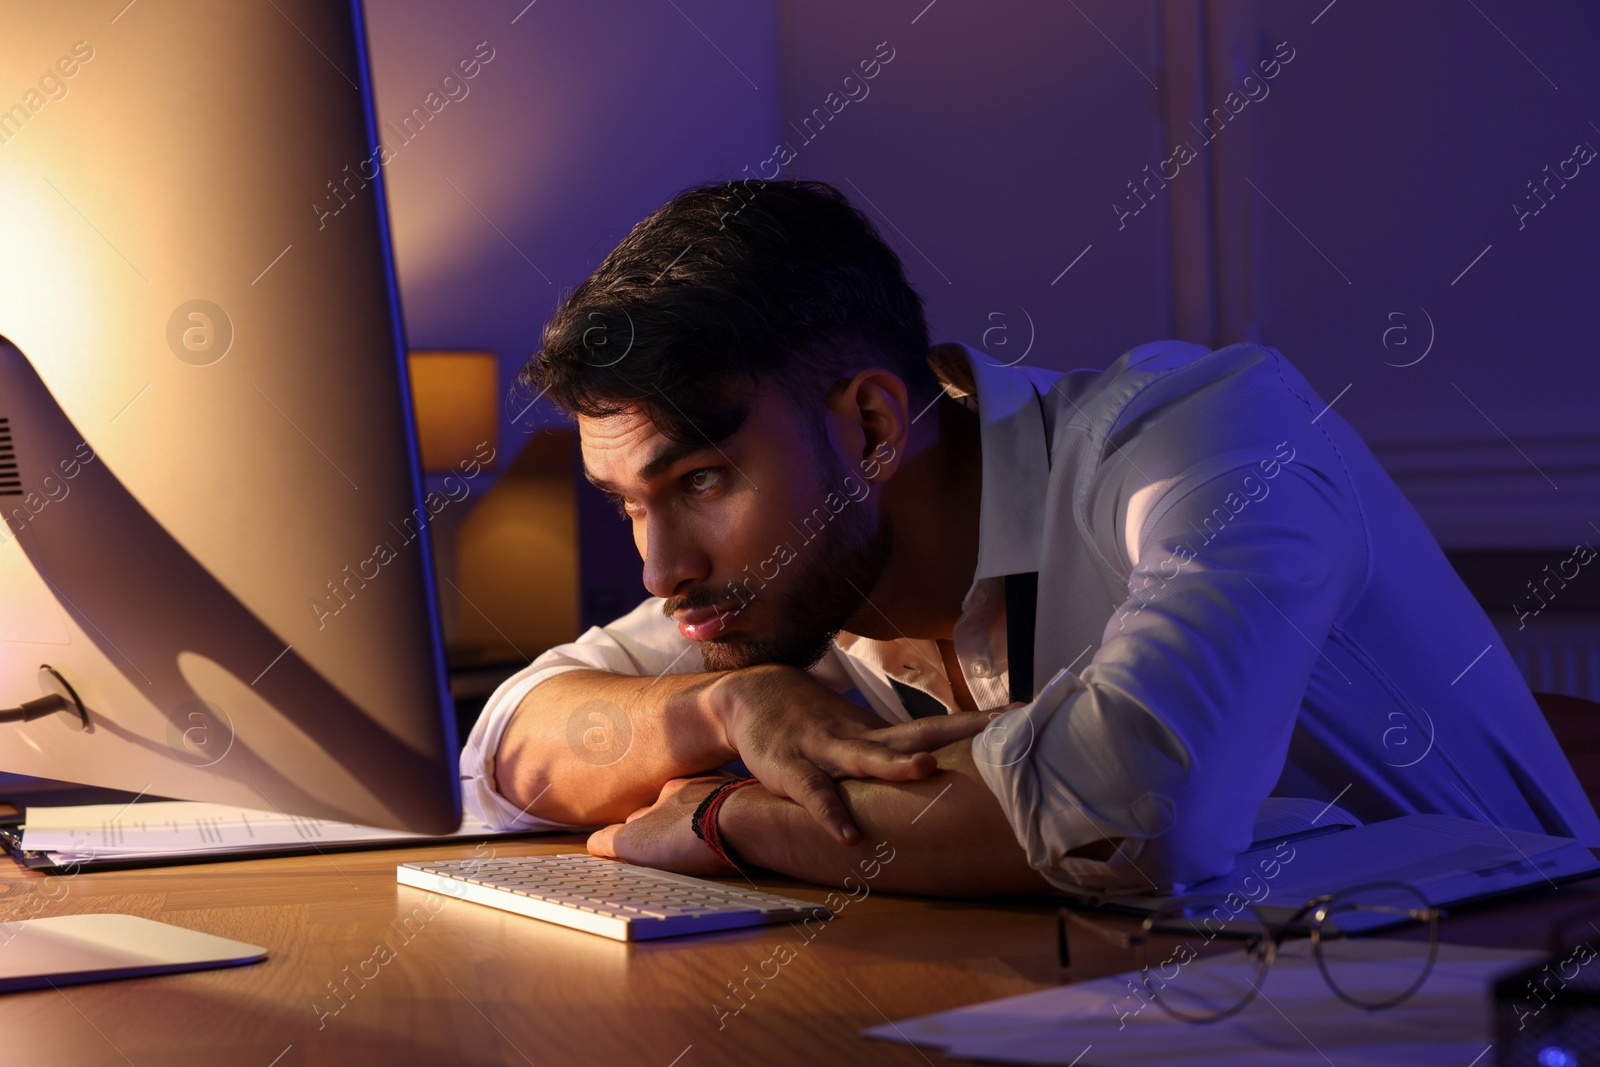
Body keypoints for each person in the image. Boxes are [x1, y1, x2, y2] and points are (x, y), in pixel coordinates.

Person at [458, 178, 1600, 897]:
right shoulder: (771, 590)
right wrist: (724, 710)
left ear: (867, 424)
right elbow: (511, 744)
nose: (662, 570)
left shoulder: (1203, 433)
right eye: (626, 504)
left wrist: (720, 815)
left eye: (699, 480)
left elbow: (1137, 807)